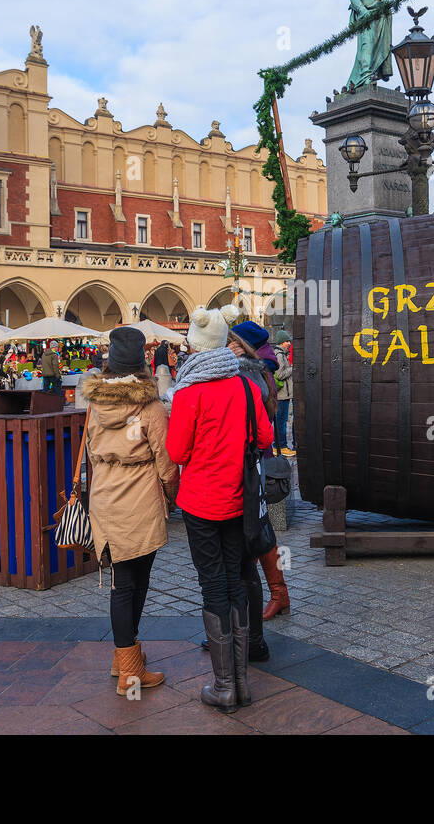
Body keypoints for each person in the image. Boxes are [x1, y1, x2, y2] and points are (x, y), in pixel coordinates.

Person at [167, 305, 272, 713]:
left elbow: (177, 451)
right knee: (236, 581)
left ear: (195, 345)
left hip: (200, 503)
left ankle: (223, 685)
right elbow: (264, 436)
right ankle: (242, 682)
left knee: (212, 585)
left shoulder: (190, 392)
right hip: (238, 502)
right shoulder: (245, 387)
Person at [80, 327, 179, 696]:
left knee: (122, 581)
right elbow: (167, 462)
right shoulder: (150, 407)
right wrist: (171, 495)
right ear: (142, 363)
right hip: (140, 498)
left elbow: (91, 450)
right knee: (134, 582)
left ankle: (124, 657)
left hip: (105, 496)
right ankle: (129, 674)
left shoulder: (95, 403)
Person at [231, 321, 292, 624]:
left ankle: (274, 595)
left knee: (258, 531)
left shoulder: (251, 372)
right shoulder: (255, 368)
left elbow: (256, 423)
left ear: (244, 346)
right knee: (257, 530)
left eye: (232, 342)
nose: (226, 346)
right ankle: (275, 594)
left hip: (252, 460)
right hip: (249, 458)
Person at [271, 330, 295, 457]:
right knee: (281, 421)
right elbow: (280, 375)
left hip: (284, 394)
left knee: (281, 420)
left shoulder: (282, 354)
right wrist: (292, 368)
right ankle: (280, 446)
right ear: (281, 342)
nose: (289, 343)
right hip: (281, 395)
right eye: (287, 341)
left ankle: (279, 445)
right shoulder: (279, 355)